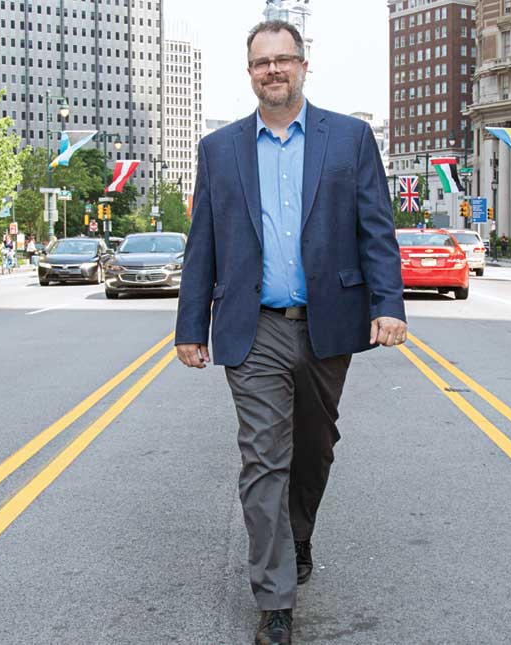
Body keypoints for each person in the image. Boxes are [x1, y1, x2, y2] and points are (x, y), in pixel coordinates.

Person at [174, 20, 406, 645]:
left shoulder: (351, 138)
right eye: (261, 62)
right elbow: (204, 244)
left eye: (283, 60)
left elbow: (375, 229)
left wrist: (390, 305)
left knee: (315, 446)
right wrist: (191, 325)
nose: (272, 70)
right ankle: (275, 600)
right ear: (248, 72)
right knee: (262, 459)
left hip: (329, 322)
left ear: (305, 65)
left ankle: (297, 533)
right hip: (255, 328)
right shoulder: (219, 149)